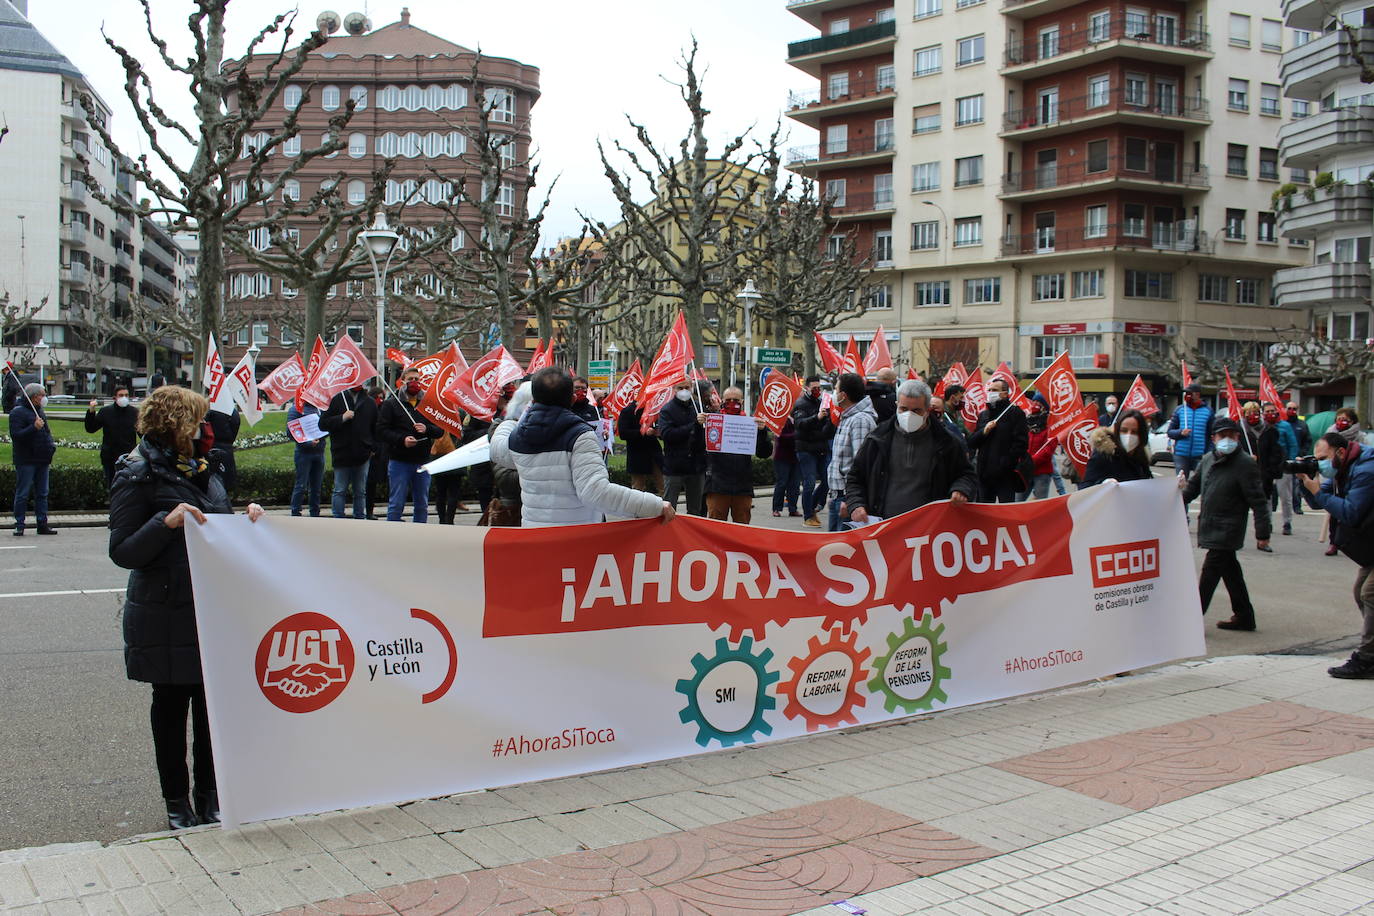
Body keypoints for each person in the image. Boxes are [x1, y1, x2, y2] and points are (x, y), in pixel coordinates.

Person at [107, 385, 265, 829]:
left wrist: (247, 521)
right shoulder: (136, 472)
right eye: (195, 421)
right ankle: (177, 801)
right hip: (166, 610)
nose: (204, 429)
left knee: (212, 709)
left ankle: (210, 796)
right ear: (174, 424)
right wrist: (164, 521)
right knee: (172, 710)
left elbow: (217, 527)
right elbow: (123, 551)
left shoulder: (204, 470)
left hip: (210, 608)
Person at [490, 367, 675, 527]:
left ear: (534, 399)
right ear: (571, 399)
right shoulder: (580, 435)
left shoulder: (518, 435)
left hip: (535, 533)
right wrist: (655, 505)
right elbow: (595, 492)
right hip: (576, 537)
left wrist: (511, 420)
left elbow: (498, 450)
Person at [1180, 418, 1271, 632]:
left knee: (1210, 573)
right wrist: (1170, 503)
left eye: (1232, 435)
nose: (1227, 439)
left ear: (1238, 437)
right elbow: (1192, 489)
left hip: (1228, 528)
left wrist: (1262, 532)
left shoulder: (1245, 463)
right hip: (1210, 524)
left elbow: (1258, 500)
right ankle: (1244, 616)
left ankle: (1192, 619)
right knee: (1231, 572)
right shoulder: (1208, 459)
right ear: (1214, 438)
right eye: (1223, 436)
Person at [845, 378, 975, 523]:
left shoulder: (946, 442)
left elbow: (966, 474)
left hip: (929, 529)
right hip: (884, 529)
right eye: (904, 409)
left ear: (927, 410)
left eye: (916, 410)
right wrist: (856, 504)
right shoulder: (877, 439)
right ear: (896, 406)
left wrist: (961, 489)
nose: (909, 415)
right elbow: (855, 478)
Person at [1301, 433, 1374, 677]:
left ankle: (1366, 658)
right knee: (1360, 592)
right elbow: (1318, 502)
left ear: (1340, 453)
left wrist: (1319, 493)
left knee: (1370, 593)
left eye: (1323, 458)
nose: (1320, 463)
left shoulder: (1366, 470)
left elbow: (1352, 512)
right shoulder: (1344, 467)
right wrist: (1306, 481)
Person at [378, 367, 442, 523]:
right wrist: (402, 440)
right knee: (396, 504)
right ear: (402, 382)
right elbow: (381, 430)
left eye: (417, 380)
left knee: (422, 504)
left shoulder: (428, 404)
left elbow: (440, 430)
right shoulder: (391, 404)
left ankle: (419, 537)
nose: (414, 383)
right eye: (410, 380)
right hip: (399, 461)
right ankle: (393, 536)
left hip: (423, 462)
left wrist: (427, 429)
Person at [702, 386, 770, 523]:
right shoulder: (712, 422)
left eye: (736, 400)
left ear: (742, 402)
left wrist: (762, 432)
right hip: (717, 485)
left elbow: (764, 453)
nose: (732, 403)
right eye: (728, 400)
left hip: (742, 486)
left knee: (742, 527)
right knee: (716, 527)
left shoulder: (751, 424)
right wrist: (698, 426)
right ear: (722, 401)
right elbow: (695, 447)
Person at [827, 372, 879, 530]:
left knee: (840, 551)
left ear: (843, 395)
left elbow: (860, 465)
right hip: (838, 496)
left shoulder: (860, 421)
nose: (833, 394)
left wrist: (850, 499)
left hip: (847, 498)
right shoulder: (848, 418)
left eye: (836, 390)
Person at [967, 377, 1029, 503]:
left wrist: (1006, 463)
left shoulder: (1015, 413)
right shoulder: (984, 415)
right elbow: (972, 442)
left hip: (1005, 475)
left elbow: (1021, 444)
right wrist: (984, 432)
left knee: (1005, 513)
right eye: (989, 390)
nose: (990, 392)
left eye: (994, 390)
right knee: (984, 514)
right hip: (984, 475)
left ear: (1005, 394)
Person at [319, 384, 375, 520]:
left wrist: (372, 448)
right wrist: (342, 418)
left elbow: (375, 427)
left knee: (360, 491)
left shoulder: (369, 402)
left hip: (362, 454)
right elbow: (323, 424)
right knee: (340, 490)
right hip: (342, 453)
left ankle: (359, 517)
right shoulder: (337, 399)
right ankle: (338, 517)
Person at [9, 383, 57, 536]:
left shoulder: (40, 412)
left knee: (42, 493)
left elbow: (47, 432)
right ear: (33, 397)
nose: (44, 398)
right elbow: (16, 435)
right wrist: (33, 428)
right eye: (42, 395)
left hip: (42, 458)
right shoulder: (17, 412)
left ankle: (42, 523)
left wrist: (51, 446)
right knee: (23, 493)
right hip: (26, 459)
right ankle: (19, 524)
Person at [658, 377, 707, 516]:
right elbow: (667, 434)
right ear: (674, 389)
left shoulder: (698, 408)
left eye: (687, 387)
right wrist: (693, 425)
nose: (684, 391)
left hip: (696, 467)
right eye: (680, 388)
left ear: (692, 388)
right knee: (668, 508)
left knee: (695, 510)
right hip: (674, 467)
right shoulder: (667, 410)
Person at [792, 376, 833, 528]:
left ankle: (813, 506)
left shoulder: (822, 403)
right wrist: (817, 417)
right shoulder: (800, 404)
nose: (817, 391)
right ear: (807, 388)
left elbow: (826, 427)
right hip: (805, 450)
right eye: (814, 388)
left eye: (819, 388)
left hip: (821, 449)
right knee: (809, 483)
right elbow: (800, 425)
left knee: (828, 480)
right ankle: (808, 516)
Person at [1080, 410, 1153, 488]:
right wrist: (1102, 484)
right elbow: (1085, 488)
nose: (1129, 435)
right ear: (1117, 430)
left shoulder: (1141, 456)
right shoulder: (1103, 455)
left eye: (1134, 432)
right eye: (1124, 431)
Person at [85, 386, 139, 487]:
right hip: (110, 456)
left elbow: (142, 433)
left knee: (129, 487)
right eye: (121, 395)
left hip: (129, 456)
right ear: (115, 398)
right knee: (112, 485)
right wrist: (91, 412)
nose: (124, 398)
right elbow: (91, 428)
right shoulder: (106, 412)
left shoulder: (134, 412)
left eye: (126, 395)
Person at [286, 400, 325, 517]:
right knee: (301, 485)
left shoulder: (320, 408)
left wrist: (321, 436)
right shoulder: (296, 409)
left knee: (316, 487)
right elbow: (291, 432)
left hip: (319, 451)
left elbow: (326, 426)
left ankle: (315, 513)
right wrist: (308, 442)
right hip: (303, 452)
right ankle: (296, 512)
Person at [1168, 383, 1214, 479]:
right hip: (1181, 455)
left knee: (1203, 480)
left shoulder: (1208, 411)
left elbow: (1212, 434)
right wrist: (1180, 433)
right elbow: (1170, 432)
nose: (1187, 396)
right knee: (1181, 482)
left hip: (1200, 455)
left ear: (1197, 394)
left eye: (1189, 393)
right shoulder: (1180, 410)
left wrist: (1208, 453)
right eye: (1186, 393)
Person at [1265, 402, 1299, 536]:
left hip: (1282, 465)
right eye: (1267, 411)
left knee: (1285, 496)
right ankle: (1267, 522)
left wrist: (1290, 461)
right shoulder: (1263, 427)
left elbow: (1293, 444)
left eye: (1272, 411)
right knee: (1267, 496)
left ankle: (1287, 522)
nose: (1270, 413)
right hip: (1267, 466)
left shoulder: (1285, 426)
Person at [618, 398, 664, 495]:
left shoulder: (653, 410)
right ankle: (637, 509)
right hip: (637, 453)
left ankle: (665, 507)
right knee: (638, 488)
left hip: (654, 452)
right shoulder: (628, 411)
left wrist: (658, 433)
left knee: (663, 484)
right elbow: (623, 433)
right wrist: (642, 432)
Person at [1021, 398, 1060, 500]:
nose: (1035, 404)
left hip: (1042, 472)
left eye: (1038, 402)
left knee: (1039, 504)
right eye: (1034, 401)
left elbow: (1048, 450)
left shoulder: (1050, 427)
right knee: (1017, 502)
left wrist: (1031, 461)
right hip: (1025, 470)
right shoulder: (1026, 424)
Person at [204, 406, 241, 498]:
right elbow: (235, 426)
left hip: (213, 447)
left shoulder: (210, 410)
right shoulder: (233, 411)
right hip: (227, 448)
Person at [365, 385, 389, 520]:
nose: (380, 400)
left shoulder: (383, 411)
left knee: (374, 483)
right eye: (377, 398)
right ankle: (367, 511)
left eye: (382, 398)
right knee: (368, 483)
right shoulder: (367, 411)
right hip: (370, 451)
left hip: (381, 452)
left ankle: (370, 511)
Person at [771, 417, 801, 518]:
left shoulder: (796, 418)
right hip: (781, 456)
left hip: (795, 456)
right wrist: (797, 434)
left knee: (795, 484)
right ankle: (776, 508)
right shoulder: (781, 418)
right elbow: (780, 436)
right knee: (782, 483)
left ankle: (793, 508)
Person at [1287, 402, 1311, 516]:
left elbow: (1308, 441)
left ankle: (1297, 506)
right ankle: (1274, 506)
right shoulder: (1282, 424)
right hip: (1283, 458)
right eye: (1289, 408)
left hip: (1297, 459)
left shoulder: (1302, 425)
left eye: (1294, 408)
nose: (1292, 410)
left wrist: (1302, 454)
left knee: (1296, 484)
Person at [941, 385, 970, 453]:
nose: (963, 400)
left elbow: (965, 431)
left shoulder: (957, 412)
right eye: (961, 397)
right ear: (952, 397)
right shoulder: (942, 413)